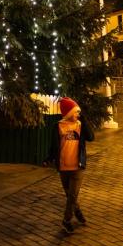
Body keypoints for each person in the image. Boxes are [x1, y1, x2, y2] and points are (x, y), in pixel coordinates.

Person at [44, 97, 94, 234]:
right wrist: (48, 159)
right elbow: (54, 146)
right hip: (63, 167)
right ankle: (78, 213)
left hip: (77, 167)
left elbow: (91, 137)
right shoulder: (58, 126)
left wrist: (83, 120)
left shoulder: (80, 124)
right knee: (70, 196)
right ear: (69, 113)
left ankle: (66, 221)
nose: (78, 114)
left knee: (72, 196)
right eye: (76, 112)